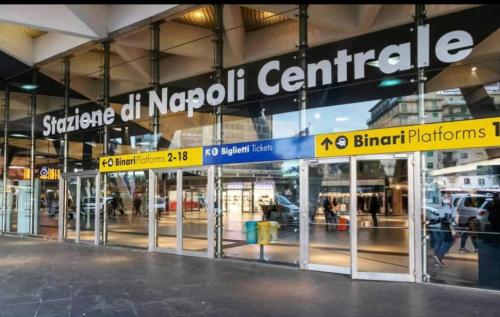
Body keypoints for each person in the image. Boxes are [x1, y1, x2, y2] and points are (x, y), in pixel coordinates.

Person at [429, 203, 457, 267]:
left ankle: (437, 262)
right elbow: (448, 219)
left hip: (434, 226)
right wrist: (454, 228)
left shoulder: (435, 204)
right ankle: (439, 257)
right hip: (442, 226)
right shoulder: (448, 207)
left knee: (438, 242)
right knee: (448, 242)